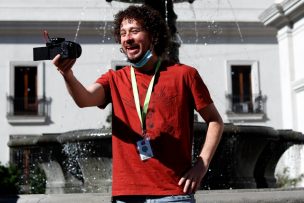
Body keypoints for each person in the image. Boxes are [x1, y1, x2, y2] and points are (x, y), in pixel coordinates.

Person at [52, 5, 223, 203]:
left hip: (174, 194)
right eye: (123, 33)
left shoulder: (185, 75)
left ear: (153, 35)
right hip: (127, 195)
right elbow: (84, 99)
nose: (127, 38)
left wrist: (201, 165)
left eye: (134, 31)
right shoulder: (114, 78)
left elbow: (215, 121)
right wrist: (67, 74)